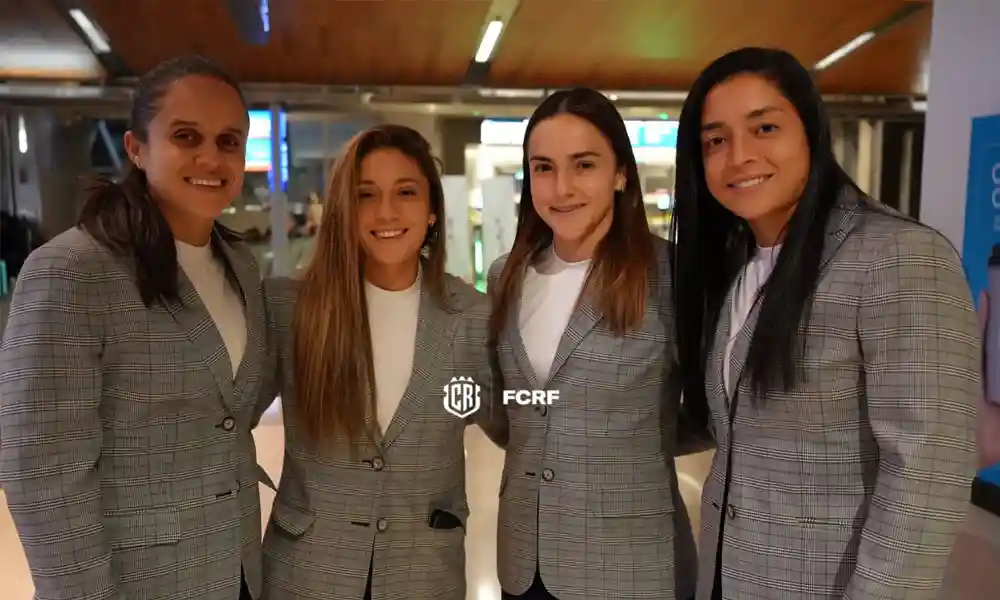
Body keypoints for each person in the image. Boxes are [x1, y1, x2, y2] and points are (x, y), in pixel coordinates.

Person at [670, 47, 980, 600]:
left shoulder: (898, 255)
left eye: (764, 127)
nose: (739, 155)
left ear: (811, 132)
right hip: (729, 575)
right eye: (716, 140)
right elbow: (734, 426)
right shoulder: (739, 263)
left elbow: (927, 470)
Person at [0, 56, 268, 600]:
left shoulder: (239, 265)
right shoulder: (73, 270)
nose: (210, 157)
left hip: (235, 566)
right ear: (137, 149)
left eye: (228, 141)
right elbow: (43, 473)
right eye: (186, 136)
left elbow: (229, 414)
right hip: (133, 583)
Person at [258, 124, 499, 600]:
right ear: (345, 211)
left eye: (405, 192)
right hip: (308, 572)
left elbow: (513, 421)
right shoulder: (290, 308)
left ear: (432, 210)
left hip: (422, 572)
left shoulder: (472, 316)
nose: (385, 211)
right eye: (366, 195)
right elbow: (228, 414)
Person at [485, 87, 704, 600]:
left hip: (630, 560)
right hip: (526, 559)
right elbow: (505, 405)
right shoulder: (507, 276)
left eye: (583, 165)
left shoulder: (670, 276)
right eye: (543, 167)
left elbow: (713, 407)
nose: (561, 188)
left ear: (620, 173)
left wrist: (628, 444)